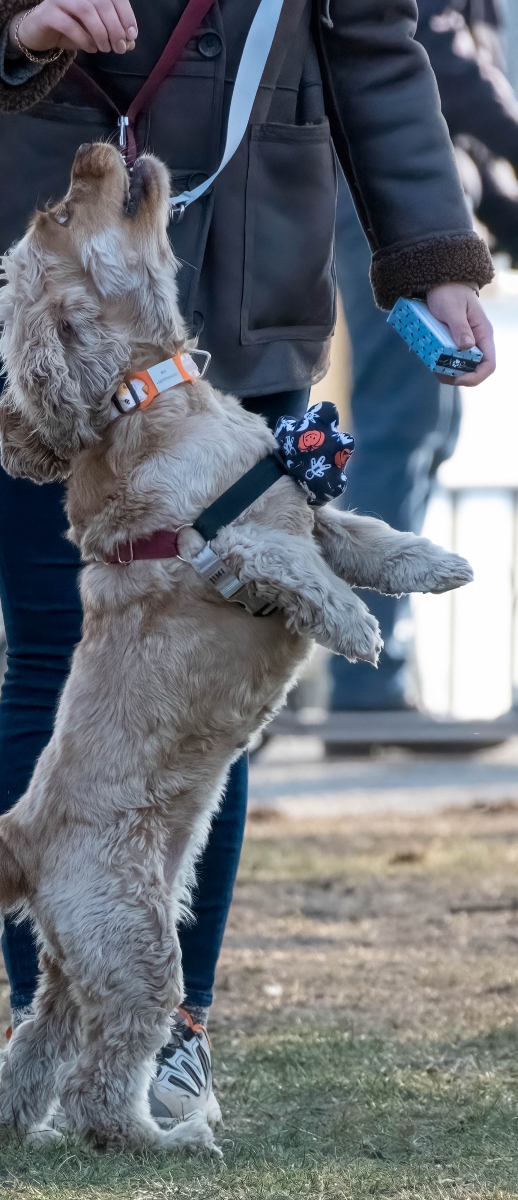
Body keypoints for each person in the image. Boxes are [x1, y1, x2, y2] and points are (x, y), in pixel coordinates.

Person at [0, 0, 496, 1125]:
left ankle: (171, 1038)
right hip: (54, 294)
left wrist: (431, 253)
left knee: (217, 674)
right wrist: (15, 22)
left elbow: (372, 42)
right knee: (56, 650)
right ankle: (61, 1020)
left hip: (245, 271)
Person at [329, 0, 518, 724]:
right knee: (401, 426)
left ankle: (371, 673)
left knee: (423, 428)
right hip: (383, 205)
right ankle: (366, 680)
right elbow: (439, 65)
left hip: (416, 203)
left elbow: (459, 118)